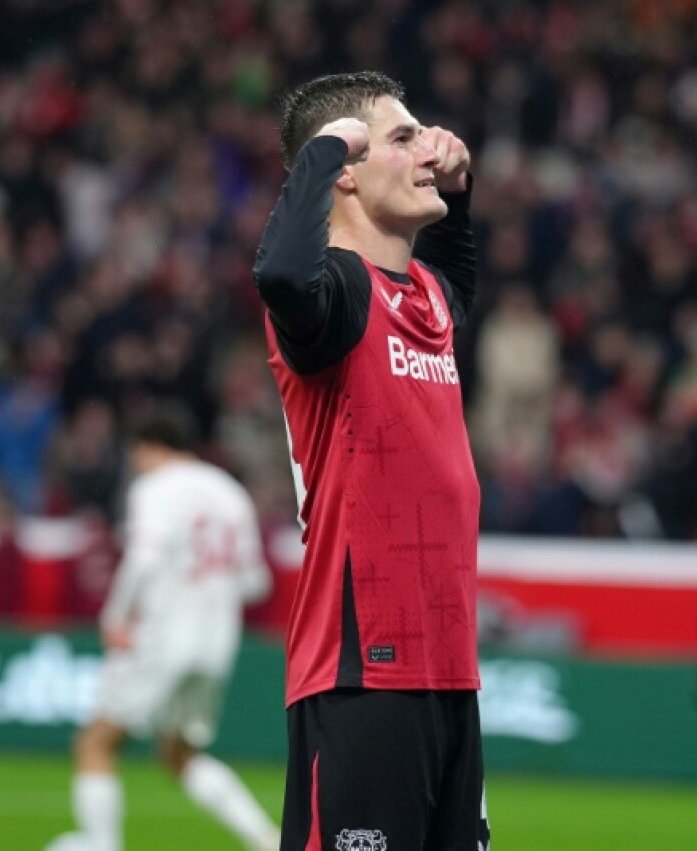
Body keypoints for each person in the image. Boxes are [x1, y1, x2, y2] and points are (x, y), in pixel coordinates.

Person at [251, 71, 490, 850]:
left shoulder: (424, 294)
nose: (425, 149)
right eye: (401, 136)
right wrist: (323, 149)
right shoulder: (337, 294)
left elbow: (459, 270)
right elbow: (280, 272)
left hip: (450, 672)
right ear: (347, 168)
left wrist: (460, 186)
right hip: (363, 670)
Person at [46, 410, 279, 851]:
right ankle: (267, 839)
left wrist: (115, 617)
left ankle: (101, 844)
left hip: (164, 634)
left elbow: (145, 558)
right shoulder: (230, 492)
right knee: (179, 753)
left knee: (95, 743)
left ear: (149, 447)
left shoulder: (154, 489)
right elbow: (255, 582)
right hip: (217, 641)